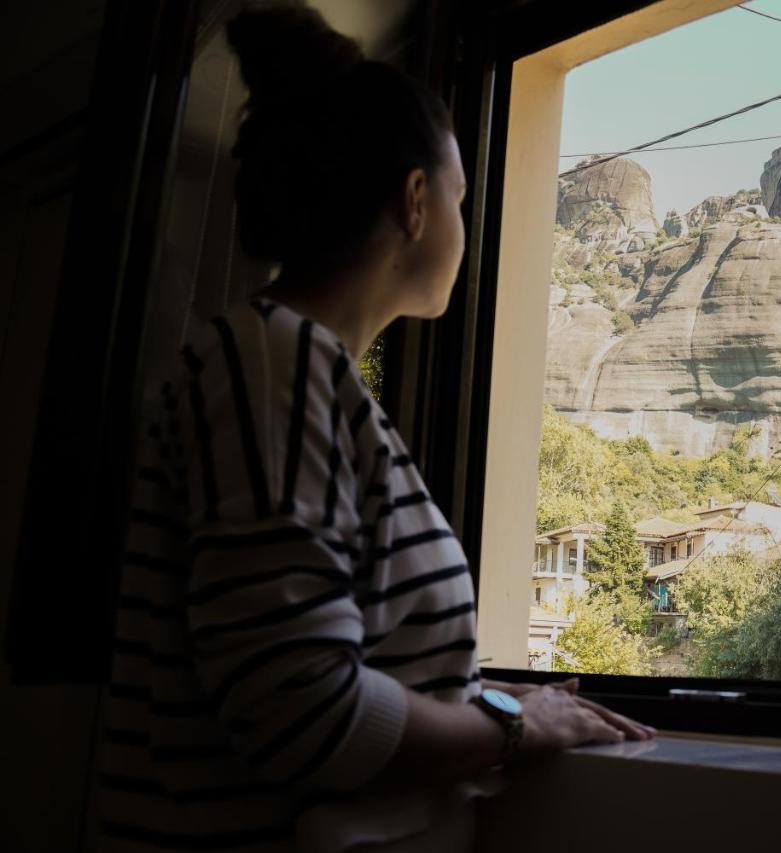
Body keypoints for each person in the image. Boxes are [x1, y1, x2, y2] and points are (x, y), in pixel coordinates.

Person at [95, 7, 653, 851]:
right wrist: (515, 722)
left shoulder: (309, 378)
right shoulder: (268, 364)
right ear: (417, 201)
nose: (467, 226)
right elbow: (303, 709)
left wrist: (499, 703)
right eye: (462, 196)